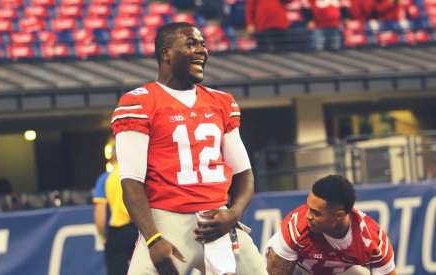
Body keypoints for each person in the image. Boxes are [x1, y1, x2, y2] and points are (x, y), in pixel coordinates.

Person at [111, 22, 267, 275]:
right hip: (168, 221)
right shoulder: (139, 102)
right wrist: (152, 238)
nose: (201, 51)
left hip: (219, 220)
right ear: (166, 54)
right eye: (191, 44)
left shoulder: (221, 102)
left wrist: (233, 214)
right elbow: (130, 182)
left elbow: (244, 173)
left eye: (203, 44)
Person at [264, 175, 396, 275]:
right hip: (297, 268)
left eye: (316, 213)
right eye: (308, 207)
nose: (307, 216)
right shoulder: (296, 226)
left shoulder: (373, 242)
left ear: (338, 216)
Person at [93, 139, 138, 275]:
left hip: (118, 233)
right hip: (140, 230)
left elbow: (100, 213)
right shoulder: (138, 175)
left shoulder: (105, 179)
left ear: (112, 157)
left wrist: (101, 236)